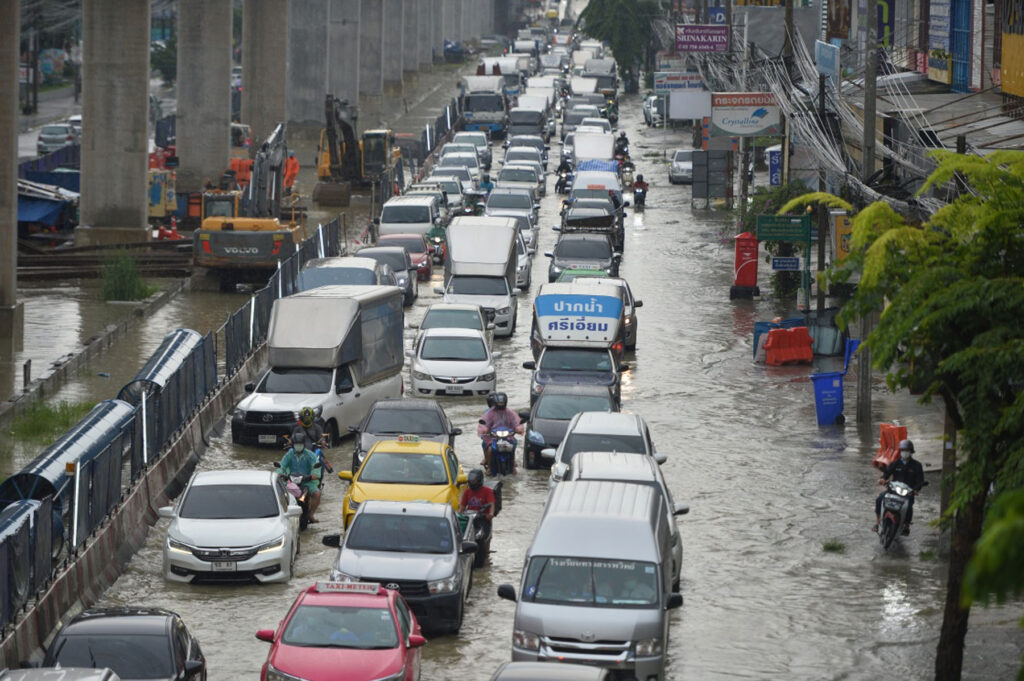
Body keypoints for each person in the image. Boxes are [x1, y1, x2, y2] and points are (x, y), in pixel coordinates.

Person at [874, 439, 925, 534]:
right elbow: (887, 472)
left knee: (909, 506)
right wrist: (883, 479)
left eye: (906, 450)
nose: (904, 452)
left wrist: (916, 490)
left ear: (911, 451)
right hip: (893, 490)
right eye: (902, 450)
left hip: (908, 492)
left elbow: (920, 481)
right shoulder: (896, 463)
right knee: (879, 499)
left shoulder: (917, 465)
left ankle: (906, 525)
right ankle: (877, 522)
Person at [278, 432, 322, 523]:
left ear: (304, 445)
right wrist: (279, 474)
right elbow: (282, 466)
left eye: (300, 444)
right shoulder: (289, 454)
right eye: (297, 444)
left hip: (307, 481)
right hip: (291, 482)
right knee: (281, 494)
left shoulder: (310, 455)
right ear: (293, 445)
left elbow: (316, 469)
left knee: (317, 494)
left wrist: (312, 476)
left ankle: (311, 514)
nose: (298, 446)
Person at [477, 392, 524, 475]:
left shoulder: (510, 412)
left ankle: (512, 465)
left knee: (513, 445)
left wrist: (518, 429)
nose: (501, 404)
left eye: (502, 403)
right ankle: (490, 468)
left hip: (507, 436)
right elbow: (485, 422)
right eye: (499, 403)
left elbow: (516, 422)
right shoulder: (490, 413)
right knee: (490, 449)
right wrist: (485, 429)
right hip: (493, 437)